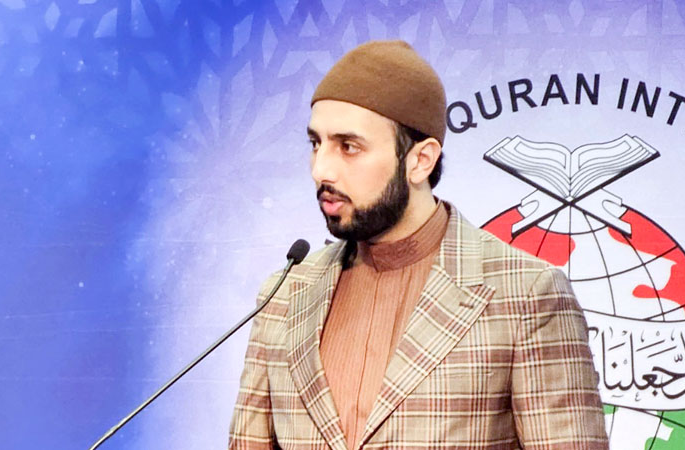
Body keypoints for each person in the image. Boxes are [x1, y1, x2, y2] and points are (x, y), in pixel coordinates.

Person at [229, 40, 608, 450]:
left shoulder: (527, 294)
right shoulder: (285, 294)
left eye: (348, 147)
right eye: (315, 144)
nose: (321, 169)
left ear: (421, 160)